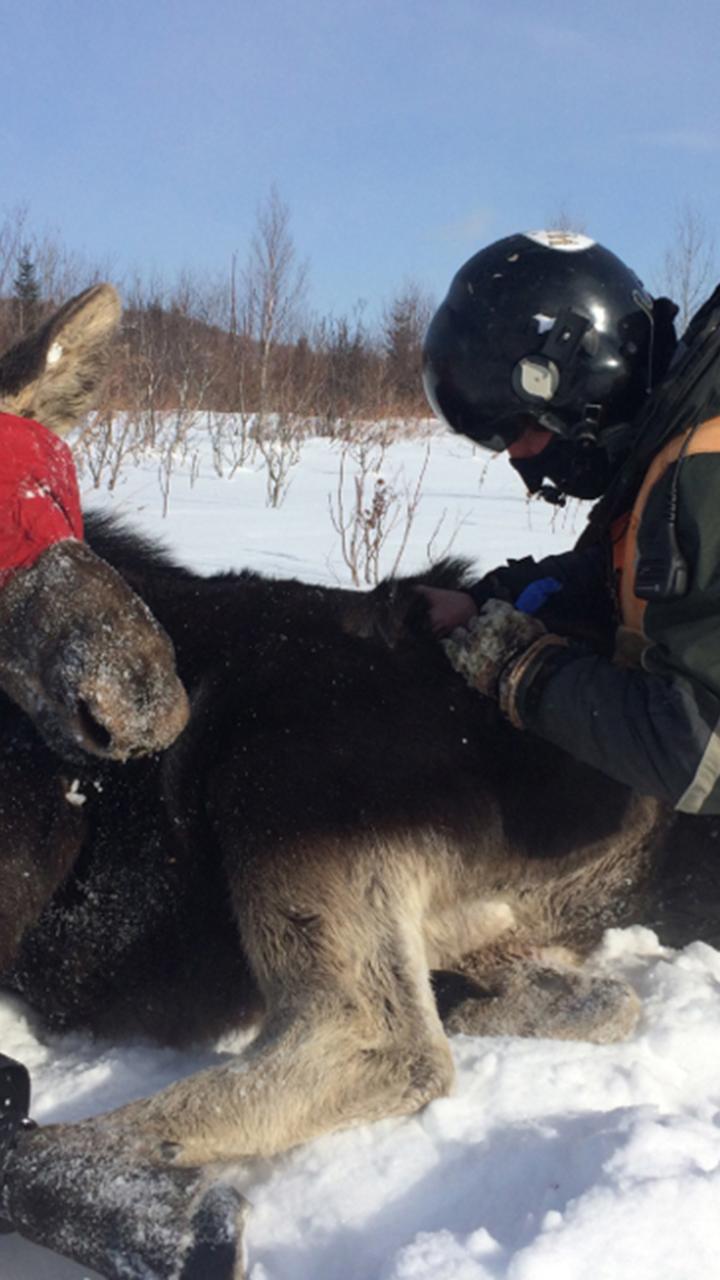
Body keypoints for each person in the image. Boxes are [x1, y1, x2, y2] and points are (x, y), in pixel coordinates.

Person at [420, 228, 720, 815]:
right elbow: (627, 570)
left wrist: (519, 668)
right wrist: (490, 600)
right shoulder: (679, 439)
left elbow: (704, 751)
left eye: (515, 427)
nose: (516, 456)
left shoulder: (705, 467)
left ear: (585, 382)